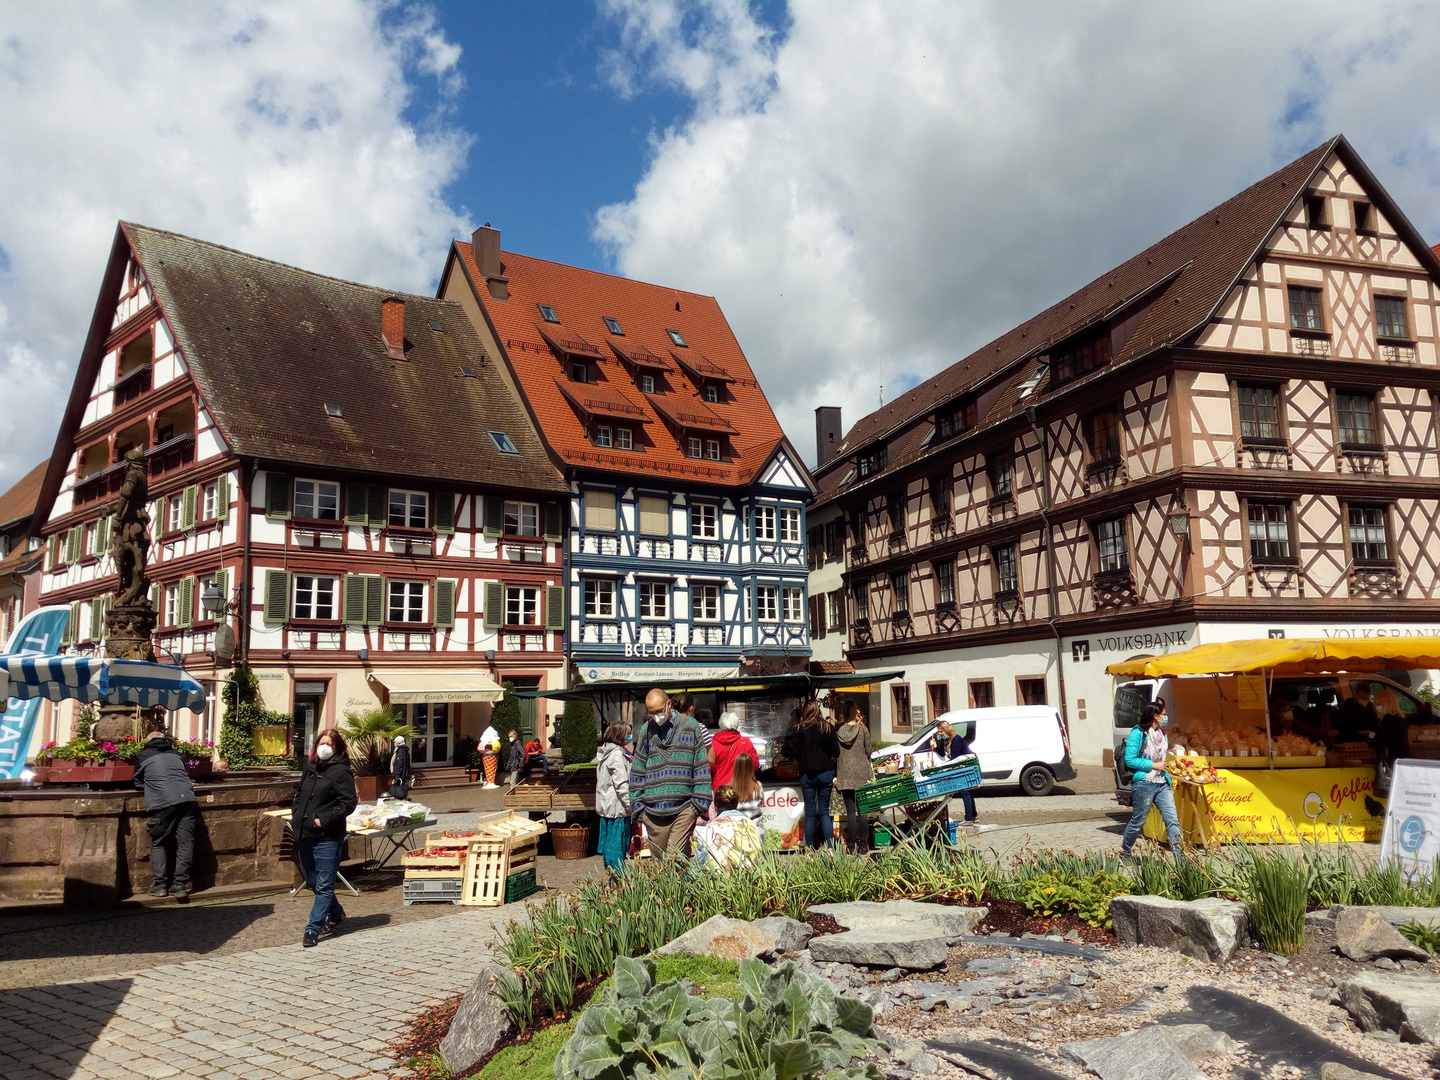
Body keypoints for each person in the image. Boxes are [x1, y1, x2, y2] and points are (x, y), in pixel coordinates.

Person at [291, 728, 358, 948]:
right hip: (305, 834)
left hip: (327, 836)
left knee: (324, 885)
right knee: (312, 881)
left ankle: (313, 927)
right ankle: (337, 913)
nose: (324, 747)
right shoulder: (310, 768)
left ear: (337, 748)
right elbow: (300, 793)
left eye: (329, 743)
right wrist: (296, 813)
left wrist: (323, 818)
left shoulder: (341, 772)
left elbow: (348, 803)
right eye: (322, 742)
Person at [630, 687, 711, 856]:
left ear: (668, 704)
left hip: (684, 809)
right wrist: (638, 808)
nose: (656, 716)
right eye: (652, 713)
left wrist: (697, 805)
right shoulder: (646, 730)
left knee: (676, 858)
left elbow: (701, 766)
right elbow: (638, 770)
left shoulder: (691, 727)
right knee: (661, 868)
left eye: (659, 711)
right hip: (652, 814)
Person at [133, 713, 200, 898]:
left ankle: (160, 885)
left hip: (163, 802)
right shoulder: (176, 754)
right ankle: (180, 885)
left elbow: (137, 782)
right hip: (188, 799)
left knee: (159, 842)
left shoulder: (144, 755)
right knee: (185, 844)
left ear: (147, 742)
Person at [1120, 702, 1182, 861]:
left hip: (1162, 783)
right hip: (1144, 783)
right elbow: (1130, 760)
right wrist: (1152, 765)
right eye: (1164, 714)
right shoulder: (1138, 733)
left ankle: (1180, 858)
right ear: (1155, 716)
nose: (1166, 717)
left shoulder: (1162, 734)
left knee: (1172, 820)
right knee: (1138, 821)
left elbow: (1161, 757)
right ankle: (1125, 851)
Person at [794, 700, 840, 849]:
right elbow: (836, 752)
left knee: (810, 812)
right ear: (819, 710)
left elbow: (796, 754)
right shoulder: (828, 728)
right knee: (825, 812)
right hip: (825, 772)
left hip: (807, 773)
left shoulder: (800, 729)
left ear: (805, 712)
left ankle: (810, 849)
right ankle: (830, 847)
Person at [693, 785, 762, 870]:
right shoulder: (752, 826)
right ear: (736, 804)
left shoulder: (710, 829)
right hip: (749, 877)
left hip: (719, 879)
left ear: (715, 807)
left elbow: (699, 863)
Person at [834, 701, 873, 852]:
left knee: (850, 810)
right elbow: (869, 750)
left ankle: (851, 843)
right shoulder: (863, 730)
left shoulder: (839, 731)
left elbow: (836, 751)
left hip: (845, 773)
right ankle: (863, 844)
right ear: (855, 712)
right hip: (862, 773)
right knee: (862, 809)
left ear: (844, 712)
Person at [595, 723, 632, 873]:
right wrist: (630, 805)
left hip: (608, 806)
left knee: (610, 843)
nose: (630, 736)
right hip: (617, 807)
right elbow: (621, 783)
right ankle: (617, 877)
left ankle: (612, 873)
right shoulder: (616, 754)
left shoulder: (607, 751)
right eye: (628, 733)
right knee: (616, 845)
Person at [937, 720, 979, 828]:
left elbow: (954, 758)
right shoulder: (945, 740)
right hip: (959, 767)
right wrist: (935, 745)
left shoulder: (956, 740)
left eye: (941, 731)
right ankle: (974, 815)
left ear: (946, 730)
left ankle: (968, 818)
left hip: (964, 767)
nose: (940, 733)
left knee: (965, 792)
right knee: (968, 792)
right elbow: (942, 752)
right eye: (939, 732)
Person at [709, 711, 758, 790]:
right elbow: (755, 765)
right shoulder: (746, 743)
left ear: (720, 725)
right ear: (737, 725)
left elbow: (709, 768)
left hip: (720, 790)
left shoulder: (713, 744)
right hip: (742, 788)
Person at [730, 751, 764, 839]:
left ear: (735, 767)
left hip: (735, 831)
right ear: (751, 768)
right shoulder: (758, 786)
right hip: (756, 830)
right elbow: (761, 803)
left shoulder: (729, 788)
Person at [479, 721, 501, 788]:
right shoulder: (494, 742)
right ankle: (490, 782)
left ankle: (491, 782)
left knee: (489, 769)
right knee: (490, 769)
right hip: (491, 755)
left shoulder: (491, 741)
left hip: (488, 755)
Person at [388, 735, 411, 799]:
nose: (394, 743)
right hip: (403, 773)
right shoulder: (405, 750)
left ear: (398, 742)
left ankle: (401, 800)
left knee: (399, 790)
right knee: (401, 789)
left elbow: (399, 763)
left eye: (395, 742)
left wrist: (397, 775)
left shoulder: (400, 751)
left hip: (400, 774)